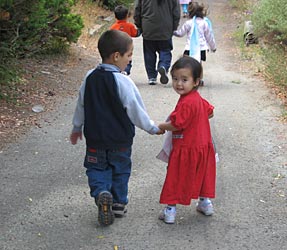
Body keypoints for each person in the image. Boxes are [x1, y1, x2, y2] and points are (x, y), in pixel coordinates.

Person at [70, 30, 164, 226]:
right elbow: (135, 109)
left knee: (96, 168)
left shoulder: (89, 77)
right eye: (129, 55)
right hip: (120, 141)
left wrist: (77, 127)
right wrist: (152, 128)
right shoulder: (123, 81)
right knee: (120, 171)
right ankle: (118, 204)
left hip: (95, 139)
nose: (129, 60)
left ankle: (101, 193)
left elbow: (81, 104)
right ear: (116, 56)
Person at [157, 56, 216, 224]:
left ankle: (170, 210)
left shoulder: (186, 102)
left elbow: (177, 124)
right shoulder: (197, 98)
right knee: (202, 174)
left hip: (186, 146)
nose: (178, 84)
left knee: (176, 177)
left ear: (196, 81)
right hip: (203, 146)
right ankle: (205, 202)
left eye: (184, 79)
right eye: (175, 79)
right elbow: (210, 112)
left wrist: (161, 126)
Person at [133, 0, 180, 85]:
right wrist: (174, 26)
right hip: (165, 28)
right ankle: (163, 66)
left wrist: (139, 25)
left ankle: (152, 77)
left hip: (148, 27)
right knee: (165, 50)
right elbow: (176, 12)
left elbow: (137, 10)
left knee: (149, 53)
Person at [173, 1, 216, 86]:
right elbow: (209, 36)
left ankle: (188, 78)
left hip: (189, 47)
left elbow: (181, 33)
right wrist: (213, 47)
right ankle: (199, 79)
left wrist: (173, 32)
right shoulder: (204, 23)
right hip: (201, 48)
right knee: (199, 64)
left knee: (187, 64)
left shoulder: (188, 23)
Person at [110, 5, 141, 75]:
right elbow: (136, 34)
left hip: (116, 48)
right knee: (128, 60)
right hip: (127, 46)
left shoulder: (113, 27)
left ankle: (117, 71)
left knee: (117, 60)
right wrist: (140, 29)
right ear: (127, 15)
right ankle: (125, 71)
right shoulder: (130, 26)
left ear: (115, 16)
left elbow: (110, 37)